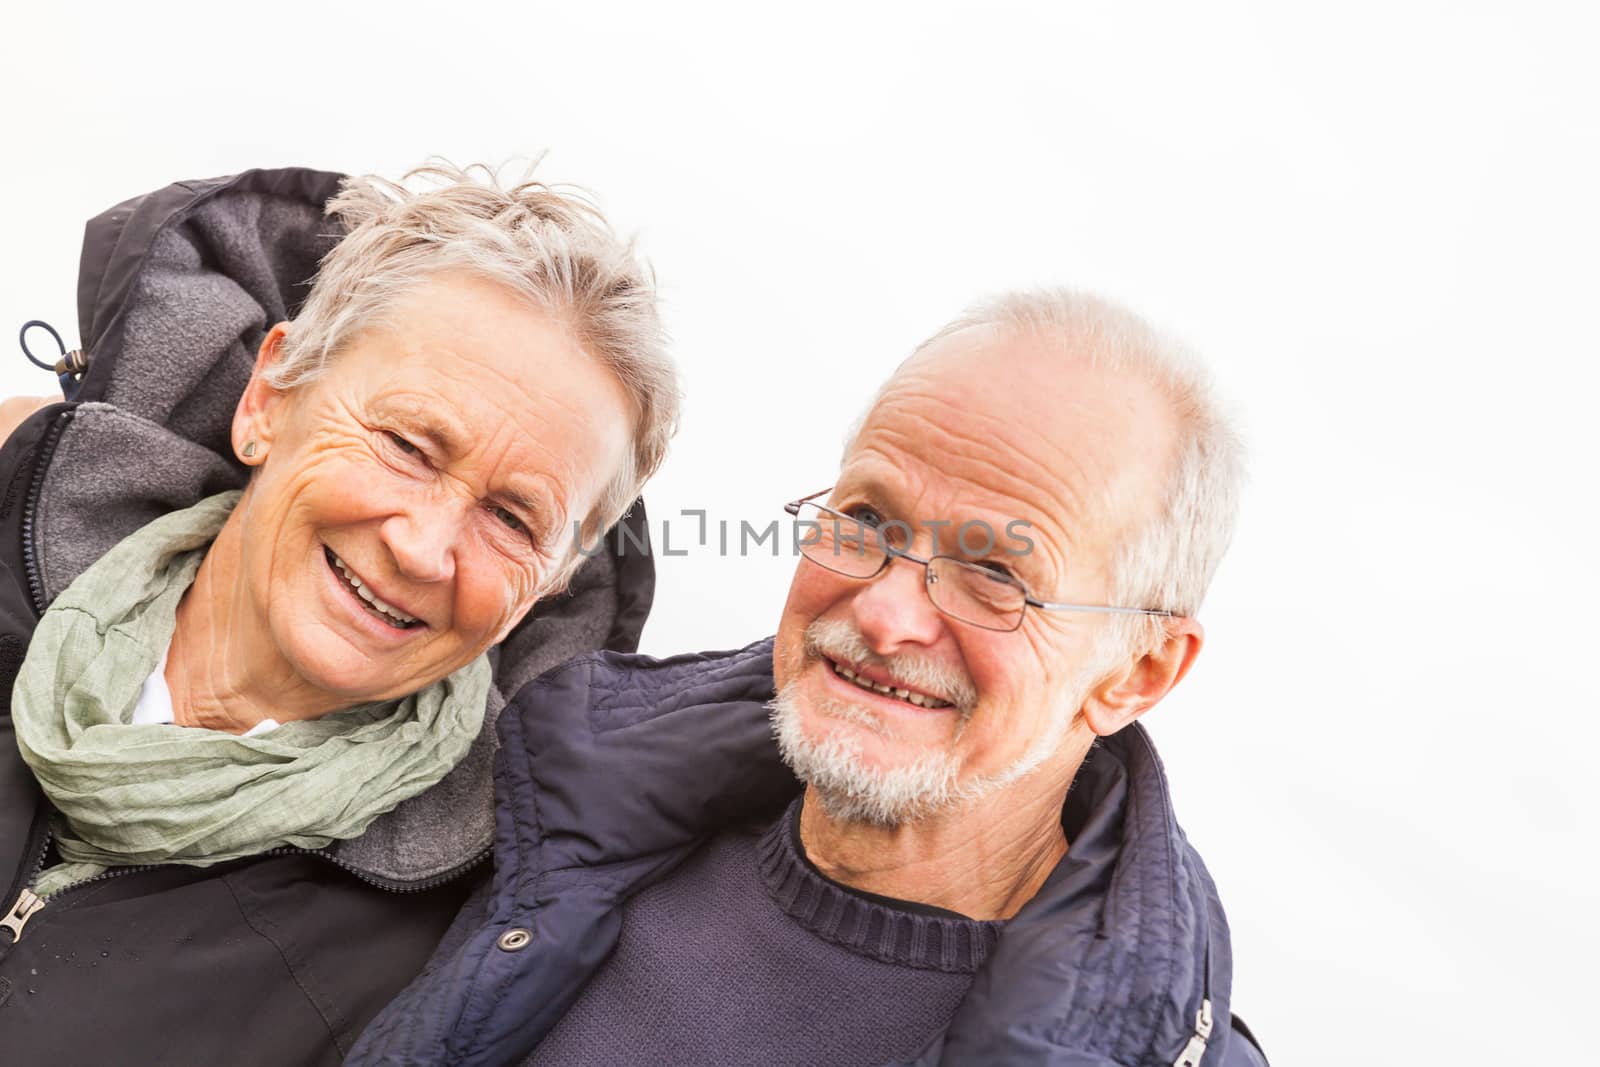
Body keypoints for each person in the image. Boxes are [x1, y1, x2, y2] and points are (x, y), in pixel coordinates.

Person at [351, 290, 1271, 1066]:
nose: (883, 612)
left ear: (1138, 673)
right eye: (866, 518)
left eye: (996, 574)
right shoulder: (541, 811)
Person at [0, 161, 677, 1064]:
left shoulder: (458, 958)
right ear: (270, 396)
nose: (424, 547)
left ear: (549, 585)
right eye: (407, 443)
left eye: (512, 519)